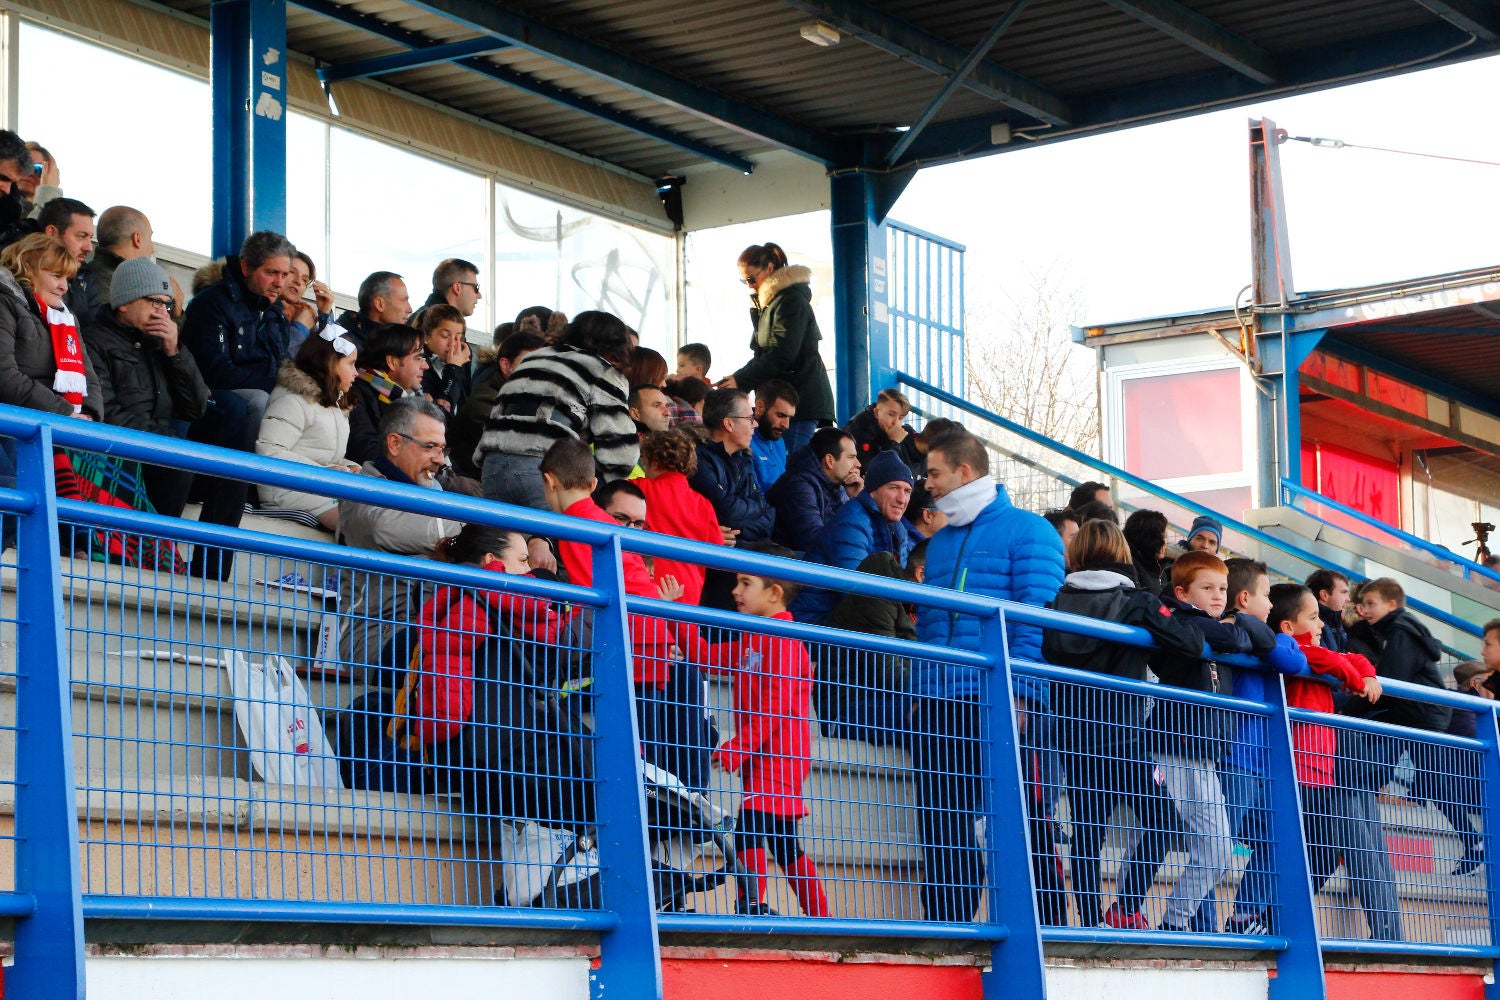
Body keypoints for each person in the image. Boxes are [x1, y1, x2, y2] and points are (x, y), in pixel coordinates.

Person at [909, 428, 1065, 922]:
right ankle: (948, 927)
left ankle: (1046, 926)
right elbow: (929, 626)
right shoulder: (939, 543)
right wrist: (919, 693)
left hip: (1000, 698)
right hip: (939, 700)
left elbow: (1037, 619)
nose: (926, 484)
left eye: (934, 473)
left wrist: (1021, 694)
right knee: (941, 821)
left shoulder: (1030, 531)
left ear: (964, 471)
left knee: (1020, 817)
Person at [1042, 519, 1205, 929]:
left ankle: (1090, 922)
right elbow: (1190, 643)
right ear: (1122, 553)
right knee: (1164, 823)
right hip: (1124, 736)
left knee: (1088, 830)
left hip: (1073, 734)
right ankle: (1125, 907)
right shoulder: (1137, 601)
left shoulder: (1055, 603)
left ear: (1077, 555)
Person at [687, 549, 829, 917]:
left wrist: (739, 747)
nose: (735, 591)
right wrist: (674, 613)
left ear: (774, 592)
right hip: (766, 756)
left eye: (746, 583)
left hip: (780, 757)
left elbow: (775, 706)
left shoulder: (783, 640)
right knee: (783, 844)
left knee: (748, 830)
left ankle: (751, 906)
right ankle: (820, 915)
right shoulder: (755, 639)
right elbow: (704, 656)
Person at [1114, 550, 1246, 932]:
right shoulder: (1182, 621)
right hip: (1171, 747)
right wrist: (1237, 624)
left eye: (1222, 588)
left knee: (1218, 847)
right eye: (1208, 588)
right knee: (1158, 831)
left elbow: (1244, 638)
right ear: (1183, 593)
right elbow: (1233, 637)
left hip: (1205, 755)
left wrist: (1238, 625)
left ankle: (1174, 922)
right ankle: (1125, 910)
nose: (1218, 596)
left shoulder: (1212, 627)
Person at [1266, 583, 1396, 939]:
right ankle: (1266, 916)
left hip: (1321, 773)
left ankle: (1277, 918)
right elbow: (1333, 660)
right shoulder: (1292, 649)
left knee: (1323, 854)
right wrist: (1356, 680)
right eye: (1313, 617)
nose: (1321, 624)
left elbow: (1351, 658)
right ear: (1288, 626)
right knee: (1306, 850)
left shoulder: (1316, 650)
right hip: (1298, 770)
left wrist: (1365, 676)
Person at [1347, 578, 1473, 871]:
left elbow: (1390, 680)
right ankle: (1473, 840)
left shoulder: (1401, 631)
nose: (1365, 609)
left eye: (1371, 603)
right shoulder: (1396, 629)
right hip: (1413, 713)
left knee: (1427, 780)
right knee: (1410, 775)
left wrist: (1346, 710)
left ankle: (1475, 841)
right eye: (1363, 603)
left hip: (1419, 715)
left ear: (1391, 604)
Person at [477, 311, 637, 533]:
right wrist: (593, 489)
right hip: (546, 471)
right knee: (554, 549)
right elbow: (620, 453)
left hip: (492, 467)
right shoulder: (602, 371)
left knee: (505, 548)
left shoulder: (534, 358)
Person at [337, 398, 459, 683]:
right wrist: (473, 532)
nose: (440, 459)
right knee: (448, 645)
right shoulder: (360, 490)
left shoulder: (434, 491)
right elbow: (384, 528)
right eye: (430, 447)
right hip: (375, 638)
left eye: (442, 449)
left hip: (430, 627)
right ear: (394, 444)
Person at [180, 229, 299, 443]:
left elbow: (281, 364)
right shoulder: (212, 303)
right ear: (245, 267)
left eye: (284, 275)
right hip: (210, 399)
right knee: (260, 401)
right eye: (271, 273)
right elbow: (216, 372)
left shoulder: (276, 314)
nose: (279, 283)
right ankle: (252, 465)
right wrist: (276, 385)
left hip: (262, 391)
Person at [718, 243, 833, 454]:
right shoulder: (772, 305)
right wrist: (737, 379)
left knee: (790, 465)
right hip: (785, 399)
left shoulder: (790, 301)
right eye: (745, 281)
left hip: (799, 401)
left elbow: (782, 354)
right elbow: (764, 355)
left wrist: (742, 380)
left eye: (752, 279)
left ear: (770, 268)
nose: (749, 286)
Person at [254, 327, 361, 531]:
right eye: (351, 363)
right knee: (361, 526)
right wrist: (324, 473)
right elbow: (269, 452)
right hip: (287, 491)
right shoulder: (292, 399)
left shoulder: (334, 404)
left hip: (319, 488)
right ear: (331, 363)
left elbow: (323, 456)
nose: (356, 372)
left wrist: (349, 467)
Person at [790, 450, 912, 624]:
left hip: (854, 620)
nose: (902, 499)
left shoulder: (898, 529)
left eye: (907, 491)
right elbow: (856, 592)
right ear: (873, 490)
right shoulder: (852, 521)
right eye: (894, 488)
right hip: (816, 624)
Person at [820, 544, 924, 746]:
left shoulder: (915, 609)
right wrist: (931, 689)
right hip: (847, 710)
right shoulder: (881, 588)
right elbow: (885, 674)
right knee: (939, 713)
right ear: (921, 574)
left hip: (886, 703)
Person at [0, 233, 101, 419]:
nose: (64, 287)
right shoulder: (5, 304)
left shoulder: (67, 318)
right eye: (56, 276)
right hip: (15, 424)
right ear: (27, 268)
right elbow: (4, 375)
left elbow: (89, 380)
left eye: (67, 279)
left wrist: (88, 415)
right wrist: (64, 412)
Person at [636, 428, 724, 607]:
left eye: (644, 463)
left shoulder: (638, 489)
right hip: (689, 596)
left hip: (647, 592)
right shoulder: (702, 504)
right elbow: (718, 552)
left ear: (653, 461)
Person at [449, 325, 546, 478]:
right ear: (506, 366)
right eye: (529, 364)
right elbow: (514, 453)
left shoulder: (526, 399)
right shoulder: (486, 403)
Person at [688, 388, 774, 543]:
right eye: (750, 418)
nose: (755, 424)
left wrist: (740, 532)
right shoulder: (697, 461)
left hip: (744, 545)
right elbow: (726, 513)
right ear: (729, 424)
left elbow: (769, 514)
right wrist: (756, 510)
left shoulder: (743, 458)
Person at [766, 426, 861, 552]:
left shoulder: (838, 487)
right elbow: (813, 542)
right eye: (851, 457)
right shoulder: (799, 486)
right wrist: (856, 504)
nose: (858, 464)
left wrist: (855, 499)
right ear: (829, 461)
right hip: (787, 559)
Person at [345, 323, 429, 466]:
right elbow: (365, 452)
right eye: (418, 358)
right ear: (392, 362)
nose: (426, 366)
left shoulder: (406, 398)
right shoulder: (356, 394)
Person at [88, 206, 179, 320]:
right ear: (137, 239)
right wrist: (176, 314)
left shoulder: (86, 277)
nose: (153, 248)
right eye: (150, 238)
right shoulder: (112, 284)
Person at [36, 197, 95, 321]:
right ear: (52, 233)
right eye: (81, 236)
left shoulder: (85, 276)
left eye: (90, 238)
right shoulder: (15, 277)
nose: (89, 247)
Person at [844, 388, 921, 476]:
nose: (896, 422)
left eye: (900, 418)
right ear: (877, 412)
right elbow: (876, 472)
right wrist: (894, 443)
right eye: (891, 414)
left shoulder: (888, 429)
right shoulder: (862, 429)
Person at [417, 303, 472, 415]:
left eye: (458, 337)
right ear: (426, 336)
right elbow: (441, 412)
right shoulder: (420, 365)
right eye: (445, 336)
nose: (452, 344)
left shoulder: (462, 360)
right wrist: (453, 368)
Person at [335, 271, 411, 349]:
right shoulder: (340, 346)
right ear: (379, 304)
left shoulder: (399, 342)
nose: (410, 309)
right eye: (403, 300)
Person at [748, 379, 798, 495]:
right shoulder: (742, 442)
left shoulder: (779, 442)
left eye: (790, 418)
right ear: (759, 407)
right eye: (781, 415)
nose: (786, 425)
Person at [408, 258, 480, 329]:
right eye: (475, 287)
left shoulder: (425, 318)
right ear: (457, 288)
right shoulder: (433, 324)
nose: (479, 296)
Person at [280, 250, 334, 344]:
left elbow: (326, 351)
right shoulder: (260, 308)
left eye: (304, 280)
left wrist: (325, 313)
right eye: (291, 272)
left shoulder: (304, 314)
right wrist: (301, 327)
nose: (298, 281)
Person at [1122, 508, 1170, 593]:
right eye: (1164, 536)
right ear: (1149, 539)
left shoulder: (1157, 566)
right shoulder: (1132, 569)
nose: (1166, 542)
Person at [1306, 568, 1352, 653]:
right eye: (1343, 592)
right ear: (1324, 595)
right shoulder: (1312, 626)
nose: (1348, 599)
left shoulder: (1337, 622)